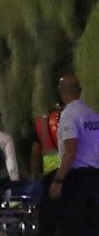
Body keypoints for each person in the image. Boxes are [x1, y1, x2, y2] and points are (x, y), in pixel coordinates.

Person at [49, 74, 99, 236]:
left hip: (77, 180)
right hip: (95, 177)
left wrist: (58, 180)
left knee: (73, 226)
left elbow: (71, 150)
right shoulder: (92, 114)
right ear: (80, 91)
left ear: (61, 92)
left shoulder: (68, 115)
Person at [30, 103, 63, 236]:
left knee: (48, 218)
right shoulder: (75, 120)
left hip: (49, 177)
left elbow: (35, 153)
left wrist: (34, 176)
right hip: (73, 175)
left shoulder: (41, 124)